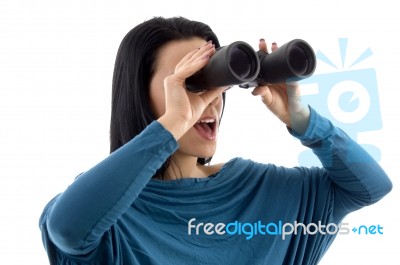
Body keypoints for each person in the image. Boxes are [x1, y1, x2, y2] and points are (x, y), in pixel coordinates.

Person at [39, 16, 392, 265]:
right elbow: (67, 228)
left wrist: (303, 121)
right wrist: (174, 122)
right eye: (192, 82)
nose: (210, 98)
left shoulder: (265, 191)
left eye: (216, 82)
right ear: (139, 95)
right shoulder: (105, 213)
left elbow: (370, 187)